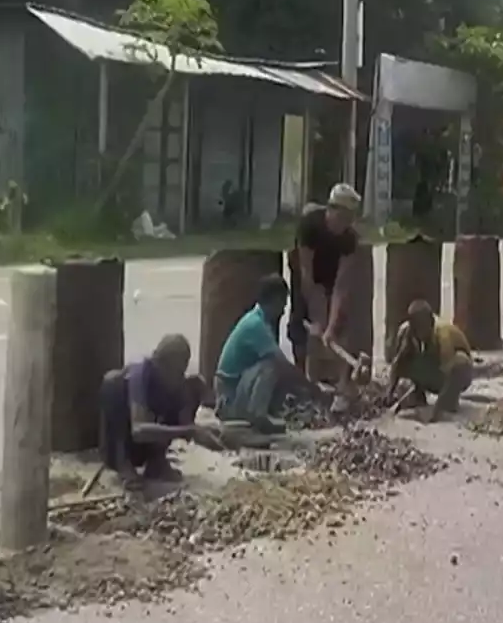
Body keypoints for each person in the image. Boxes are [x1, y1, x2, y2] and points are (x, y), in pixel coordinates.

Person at [98, 334, 222, 489]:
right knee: (112, 382)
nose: (179, 376)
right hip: (127, 441)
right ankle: (124, 464)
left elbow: (185, 424)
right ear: (159, 363)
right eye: (176, 370)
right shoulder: (140, 374)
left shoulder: (174, 382)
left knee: (193, 385)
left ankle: (157, 461)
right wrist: (189, 431)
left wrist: (207, 434)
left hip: (147, 443)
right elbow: (139, 430)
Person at [215, 274, 312, 434]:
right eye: (283, 303)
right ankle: (257, 416)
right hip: (229, 399)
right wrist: (311, 388)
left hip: (237, 389)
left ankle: (267, 411)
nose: (283, 310)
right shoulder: (255, 325)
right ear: (275, 300)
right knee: (272, 365)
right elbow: (282, 363)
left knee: (279, 370)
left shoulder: (259, 320)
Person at [287, 183, 362, 375]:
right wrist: (316, 317)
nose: (345, 224)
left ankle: (334, 376)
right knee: (301, 321)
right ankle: (301, 372)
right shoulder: (310, 226)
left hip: (330, 274)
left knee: (337, 324)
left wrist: (331, 325)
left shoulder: (349, 238)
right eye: (343, 217)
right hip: (305, 270)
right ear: (331, 210)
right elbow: (306, 273)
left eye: (350, 219)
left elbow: (341, 286)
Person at [386, 300, 473, 423]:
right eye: (417, 327)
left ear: (431, 322)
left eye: (424, 327)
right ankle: (418, 394)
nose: (421, 332)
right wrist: (389, 394)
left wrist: (436, 410)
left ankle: (449, 402)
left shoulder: (443, 334)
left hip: (454, 374)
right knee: (405, 356)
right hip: (433, 369)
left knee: (460, 361)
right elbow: (397, 364)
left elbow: (449, 371)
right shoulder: (405, 332)